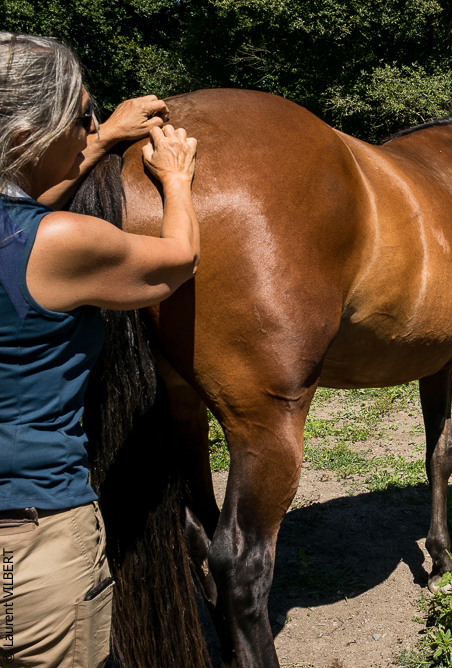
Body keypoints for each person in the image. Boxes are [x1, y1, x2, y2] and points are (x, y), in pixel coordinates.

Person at [0, 32, 199, 667]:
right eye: (81, 117)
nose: (92, 125)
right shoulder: (54, 244)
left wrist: (105, 136)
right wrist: (176, 181)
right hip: (30, 540)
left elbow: (23, 202)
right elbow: (175, 263)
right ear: (24, 139)